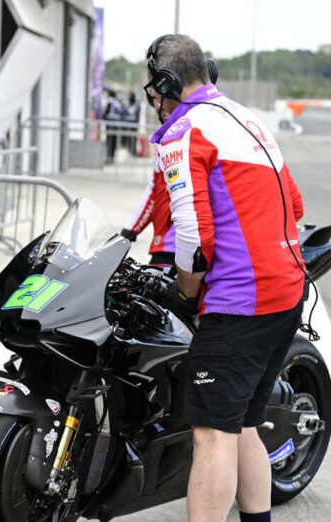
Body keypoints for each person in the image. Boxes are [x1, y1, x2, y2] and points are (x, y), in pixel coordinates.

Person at [145, 34, 306, 522]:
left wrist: (185, 291)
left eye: (153, 89)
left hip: (240, 302)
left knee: (212, 434)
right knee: (244, 423)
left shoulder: (184, 130)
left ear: (167, 84)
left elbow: (194, 235)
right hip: (287, 291)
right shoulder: (248, 118)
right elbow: (296, 206)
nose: (154, 101)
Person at [120, 153, 175, 266]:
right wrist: (130, 230)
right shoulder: (161, 147)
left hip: (182, 242)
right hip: (165, 243)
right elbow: (154, 189)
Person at [102, 90, 123, 164]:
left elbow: (106, 111)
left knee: (109, 141)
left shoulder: (110, 101)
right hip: (116, 124)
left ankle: (108, 157)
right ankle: (112, 157)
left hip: (110, 123)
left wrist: (103, 117)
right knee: (114, 141)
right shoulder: (117, 102)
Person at [122, 92, 141, 156]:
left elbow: (137, 115)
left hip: (134, 124)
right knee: (128, 139)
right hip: (127, 124)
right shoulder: (127, 104)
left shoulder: (136, 104)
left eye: (130, 96)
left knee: (133, 139)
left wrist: (137, 124)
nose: (129, 97)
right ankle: (129, 151)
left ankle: (133, 152)